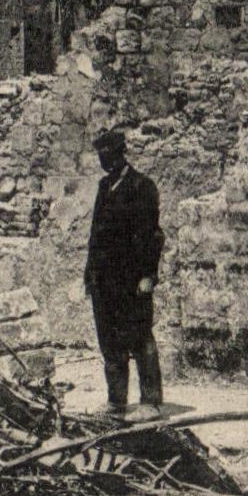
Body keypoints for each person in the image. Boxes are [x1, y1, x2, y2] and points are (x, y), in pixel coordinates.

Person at [83, 127, 164, 414]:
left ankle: (150, 401)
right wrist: (89, 275)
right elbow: (96, 235)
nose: (104, 162)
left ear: (120, 154)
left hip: (130, 280)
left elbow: (152, 236)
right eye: (100, 157)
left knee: (140, 339)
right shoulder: (104, 187)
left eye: (108, 155)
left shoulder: (142, 187)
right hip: (104, 281)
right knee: (110, 343)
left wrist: (147, 276)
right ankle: (117, 400)